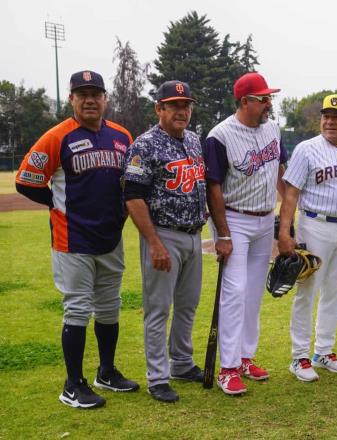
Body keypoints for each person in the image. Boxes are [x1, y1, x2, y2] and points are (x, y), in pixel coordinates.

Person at [15, 70, 138, 409]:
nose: (89, 100)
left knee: (110, 307)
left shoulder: (122, 136)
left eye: (95, 94)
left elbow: (131, 182)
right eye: (82, 94)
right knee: (78, 309)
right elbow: (26, 181)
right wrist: (56, 204)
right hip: (73, 240)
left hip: (110, 237)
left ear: (105, 99)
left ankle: (107, 371)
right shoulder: (57, 137)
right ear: (71, 99)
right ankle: (73, 384)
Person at [203, 72, 287, 395]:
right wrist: (222, 234)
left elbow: (279, 171)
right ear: (244, 102)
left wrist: (285, 220)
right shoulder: (219, 136)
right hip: (234, 220)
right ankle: (227, 367)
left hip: (265, 219)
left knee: (253, 292)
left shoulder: (273, 129)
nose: (268, 103)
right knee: (235, 291)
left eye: (269, 97)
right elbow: (213, 188)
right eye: (262, 98)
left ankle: (245, 357)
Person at [123, 80, 207, 403]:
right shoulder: (144, 145)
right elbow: (133, 197)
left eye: (186, 105)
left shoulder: (195, 142)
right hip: (164, 234)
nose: (182, 111)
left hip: (194, 235)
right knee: (158, 309)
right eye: (173, 105)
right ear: (159, 108)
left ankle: (182, 363)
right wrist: (154, 242)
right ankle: (158, 377)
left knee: (187, 306)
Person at [277, 94, 337, 382]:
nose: (330, 121)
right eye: (326, 116)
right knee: (308, 291)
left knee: (336, 291)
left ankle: (324, 352)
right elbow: (290, 193)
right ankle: (299, 356)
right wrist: (285, 232)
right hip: (314, 224)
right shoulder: (306, 149)